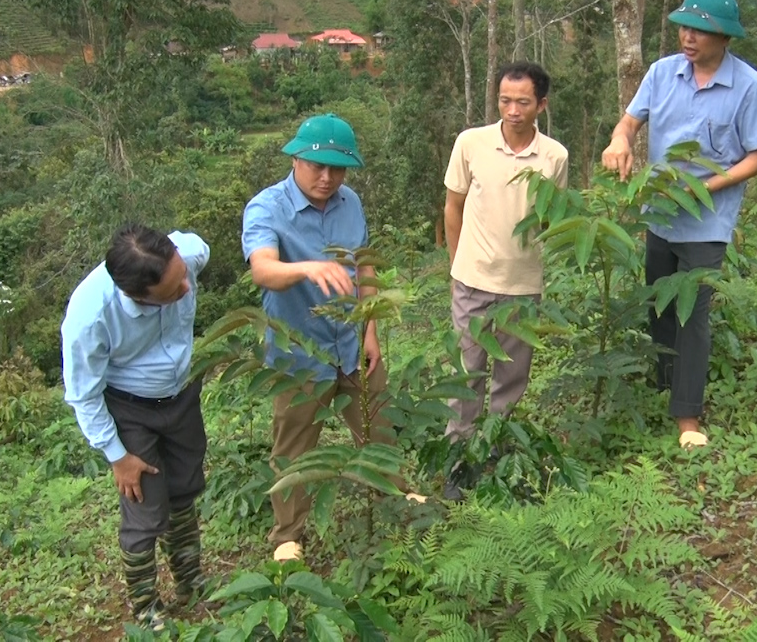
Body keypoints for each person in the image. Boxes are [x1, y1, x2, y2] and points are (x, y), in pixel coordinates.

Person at [242, 113, 426, 563]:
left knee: (378, 425)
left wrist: (372, 328)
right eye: (316, 166)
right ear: (295, 158)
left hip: (350, 342)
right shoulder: (267, 208)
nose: (327, 178)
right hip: (300, 353)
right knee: (295, 444)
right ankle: (288, 533)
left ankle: (396, 497)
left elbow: (364, 266)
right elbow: (263, 267)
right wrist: (307, 267)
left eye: (337, 169)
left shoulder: (351, 204)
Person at [601, 0, 757, 449]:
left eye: (700, 30)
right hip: (658, 216)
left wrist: (702, 187)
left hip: (707, 222)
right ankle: (664, 381)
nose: (688, 37)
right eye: (684, 27)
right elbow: (629, 122)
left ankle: (687, 419)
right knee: (658, 303)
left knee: (691, 315)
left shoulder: (749, 87)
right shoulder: (662, 74)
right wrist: (620, 140)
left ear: (724, 38)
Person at [61, 224, 212, 630]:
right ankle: (145, 606)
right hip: (129, 409)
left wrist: (181, 274)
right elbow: (83, 394)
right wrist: (117, 456)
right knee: (145, 508)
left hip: (181, 393)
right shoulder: (91, 316)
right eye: (172, 290)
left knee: (184, 489)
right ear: (138, 297)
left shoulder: (187, 257)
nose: (186, 288)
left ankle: (190, 581)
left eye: (184, 276)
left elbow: (195, 250)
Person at [442, 61, 569, 497]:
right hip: (472, 281)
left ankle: (496, 460)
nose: (512, 110)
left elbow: (551, 217)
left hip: (523, 286)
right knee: (467, 374)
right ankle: (458, 464)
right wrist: (457, 265)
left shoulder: (554, 156)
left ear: (542, 105)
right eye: (504, 100)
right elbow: (452, 206)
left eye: (523, 102)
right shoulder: (471, 143)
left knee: (511, 379)